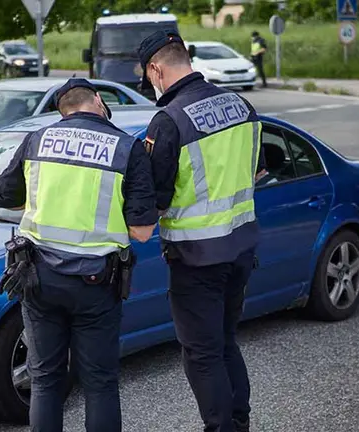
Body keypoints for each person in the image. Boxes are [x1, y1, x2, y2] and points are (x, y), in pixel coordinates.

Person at [0, 78, 158, 432]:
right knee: (99, 382)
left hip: (38, 278)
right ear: (97, 100)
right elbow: (143, 231)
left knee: (45, 379)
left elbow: (3, 196)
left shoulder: (37, 139)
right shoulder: (126, 147)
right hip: (96, 282)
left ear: (62, 110)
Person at [137, 30, 265, 432]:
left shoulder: (169, 120)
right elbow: (257, 171)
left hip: (196, 258)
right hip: (241, 248)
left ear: (156, 69)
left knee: (202, 354)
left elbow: (157, 200)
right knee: (225, 341)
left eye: (148, 77)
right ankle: (239, 423)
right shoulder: (241, 105)